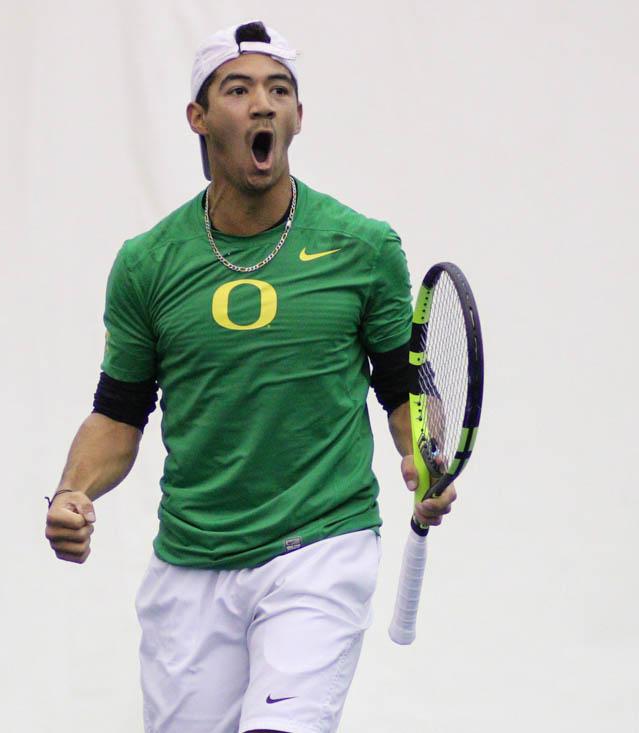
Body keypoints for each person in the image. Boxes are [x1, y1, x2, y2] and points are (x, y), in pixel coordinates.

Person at [43, 20, 456, 733]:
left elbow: (405, 390)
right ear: (199, 118)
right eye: (238, 90)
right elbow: (118, 412)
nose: (262, 104)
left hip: (320, 545)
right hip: (192, 561)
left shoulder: (362, 247)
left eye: (280, 90)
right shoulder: (148, 264)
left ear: (297, 117)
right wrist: (73, 491)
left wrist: (424, 452)